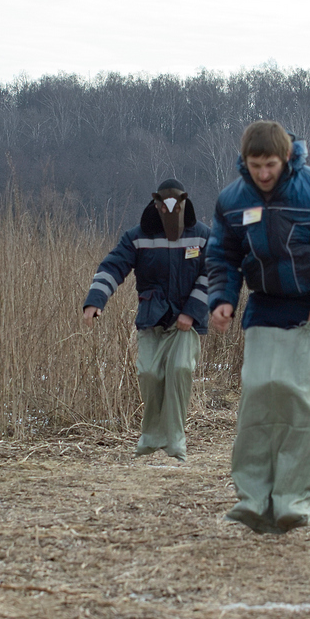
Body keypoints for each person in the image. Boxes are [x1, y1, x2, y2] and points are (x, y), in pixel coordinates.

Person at [207, 120, 310, 534]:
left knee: (299, 407)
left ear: (286, 158)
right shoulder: (232, 200)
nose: (263, 174)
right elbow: (222, 255)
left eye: (271, 165)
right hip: (263, 308)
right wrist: (222, 298)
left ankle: (291, 502)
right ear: (244, 162)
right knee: (257, 402)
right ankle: (252, 500)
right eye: (255, 166)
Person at [82, 178, 210, 461]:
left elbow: (213, 274)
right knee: (150, 373)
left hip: (185, 320)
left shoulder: (202, 236)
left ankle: (175, 438)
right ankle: (152, 435)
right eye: (163, 206)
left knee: (179, 369)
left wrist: (191, 311)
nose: (169, 212)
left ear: (184, 203)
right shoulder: (137, 237)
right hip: (152, 316)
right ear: (156, 204)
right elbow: (113, 266)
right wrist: (95, 300)